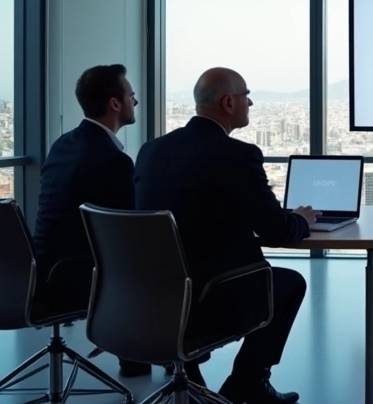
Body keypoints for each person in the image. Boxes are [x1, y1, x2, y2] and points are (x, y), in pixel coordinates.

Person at [134, 68, 318, 404]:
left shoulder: (152, 150)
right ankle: (249, 382)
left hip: (150, 297)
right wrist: (302, 220)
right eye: (247, 96)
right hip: (209, 298)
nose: (251, 103)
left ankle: (190, 378)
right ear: (229, 103)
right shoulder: (238, 155)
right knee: (291, 284)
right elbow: (277, 231)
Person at [32, 64, 148, 376]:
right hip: (73, 278)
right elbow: (129, 233)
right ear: (115, 104)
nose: (135, 101)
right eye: (131, 95)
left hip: (39, 270)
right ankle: (156, 357)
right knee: (155, 264)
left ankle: (138, 357)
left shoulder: (63, 144)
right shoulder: (113, 159)